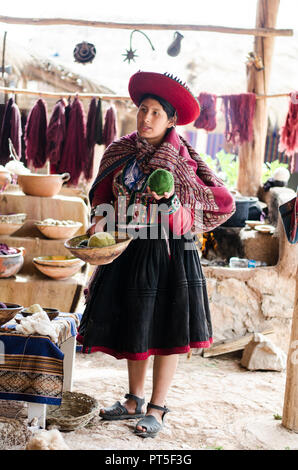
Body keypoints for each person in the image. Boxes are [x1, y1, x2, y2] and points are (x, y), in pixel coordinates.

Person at [77, 71, 235, 438]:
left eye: (155, 114)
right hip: (127, 249)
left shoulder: (181, 160)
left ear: (171, 120)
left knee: (166, 326)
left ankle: (157, 408)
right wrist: (100, 221)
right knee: (136, 322)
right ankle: (132, 400)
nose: (146, 119)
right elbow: (102, 194)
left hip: (169, 253)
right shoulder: (120, 150)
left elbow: (218, 201)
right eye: (142, 110)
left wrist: (174, 203)